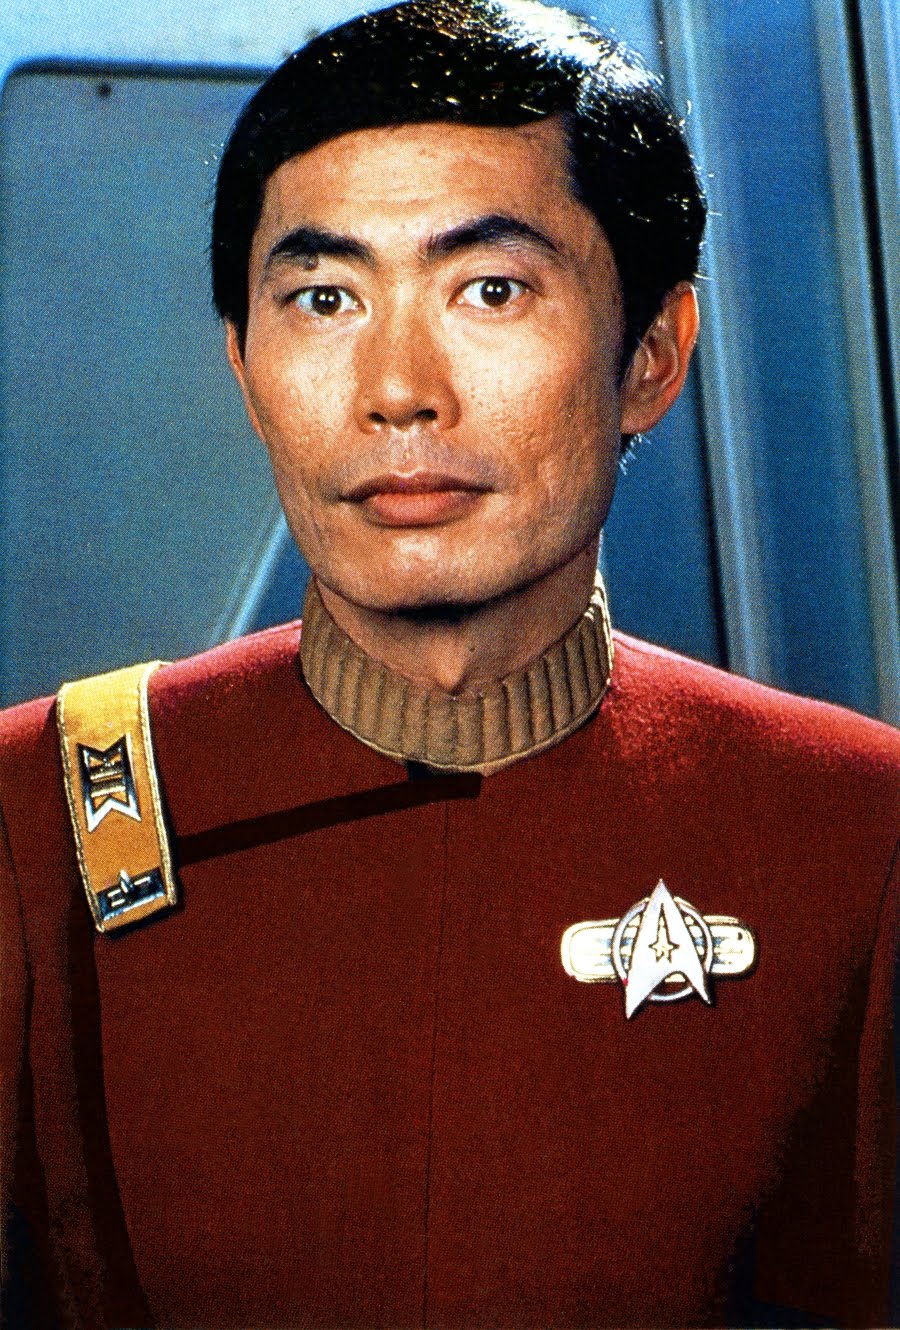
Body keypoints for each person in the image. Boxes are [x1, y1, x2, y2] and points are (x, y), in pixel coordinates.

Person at [1, 2, 897, 1327]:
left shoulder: (854, 826)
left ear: (651, 355)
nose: (398, 390)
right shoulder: (37, 809)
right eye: (325, 299)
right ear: (244, 368)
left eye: (489, 290)